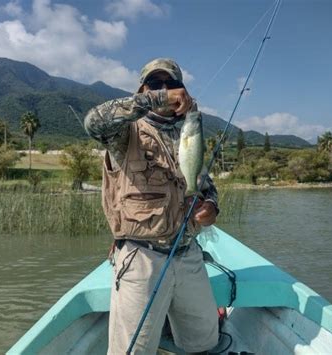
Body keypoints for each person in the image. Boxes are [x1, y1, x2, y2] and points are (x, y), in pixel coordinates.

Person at [84, 58, 219, 354]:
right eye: (155, 84)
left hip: (188, 253)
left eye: (171, 84)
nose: (165, 89)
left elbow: (206, 184)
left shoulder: (189, 131)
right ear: (142, 90)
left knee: (206, 342)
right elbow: (93, 121)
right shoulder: (124, 132)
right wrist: (156, 99)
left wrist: (210, 206)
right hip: (141, 258)